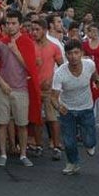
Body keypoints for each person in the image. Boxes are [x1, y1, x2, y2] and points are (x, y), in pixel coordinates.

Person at [0, 10, 40, 168]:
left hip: (21, 89)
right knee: (2, 123)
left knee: (22, 124)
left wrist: (16, 51)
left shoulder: (27, 42)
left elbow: (30, 67)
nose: (10, 26)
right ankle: (3, 154)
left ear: (20, 25)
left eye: (14, 23)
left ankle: (23, 154)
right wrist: (1, 83)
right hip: (2, 89)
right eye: (8, 23)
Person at [52, 39, 99, 175]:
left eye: (76, 53)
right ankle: (72, 163)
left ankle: (89, 144)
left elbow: (95, 77)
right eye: (70, 53)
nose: (73, 56)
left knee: (89, 140)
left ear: (82, 53)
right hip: (67, 109)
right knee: (69, 141)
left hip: (86, 107)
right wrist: (59, 107)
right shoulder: (60, 73)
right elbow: (53, 97)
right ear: (66, 56)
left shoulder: (89, 65)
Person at [31, 19, 64, 160]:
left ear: (44, 30)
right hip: (34, 88)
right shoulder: (30, 46)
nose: (34, 32)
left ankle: (56, 146)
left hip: (49, 89)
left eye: (37, 29)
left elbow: (62, 68)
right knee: (37, 119)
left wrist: (53, 81)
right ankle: (39, 145)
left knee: (53, 119)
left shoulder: (54, 46)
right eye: (32, 29)